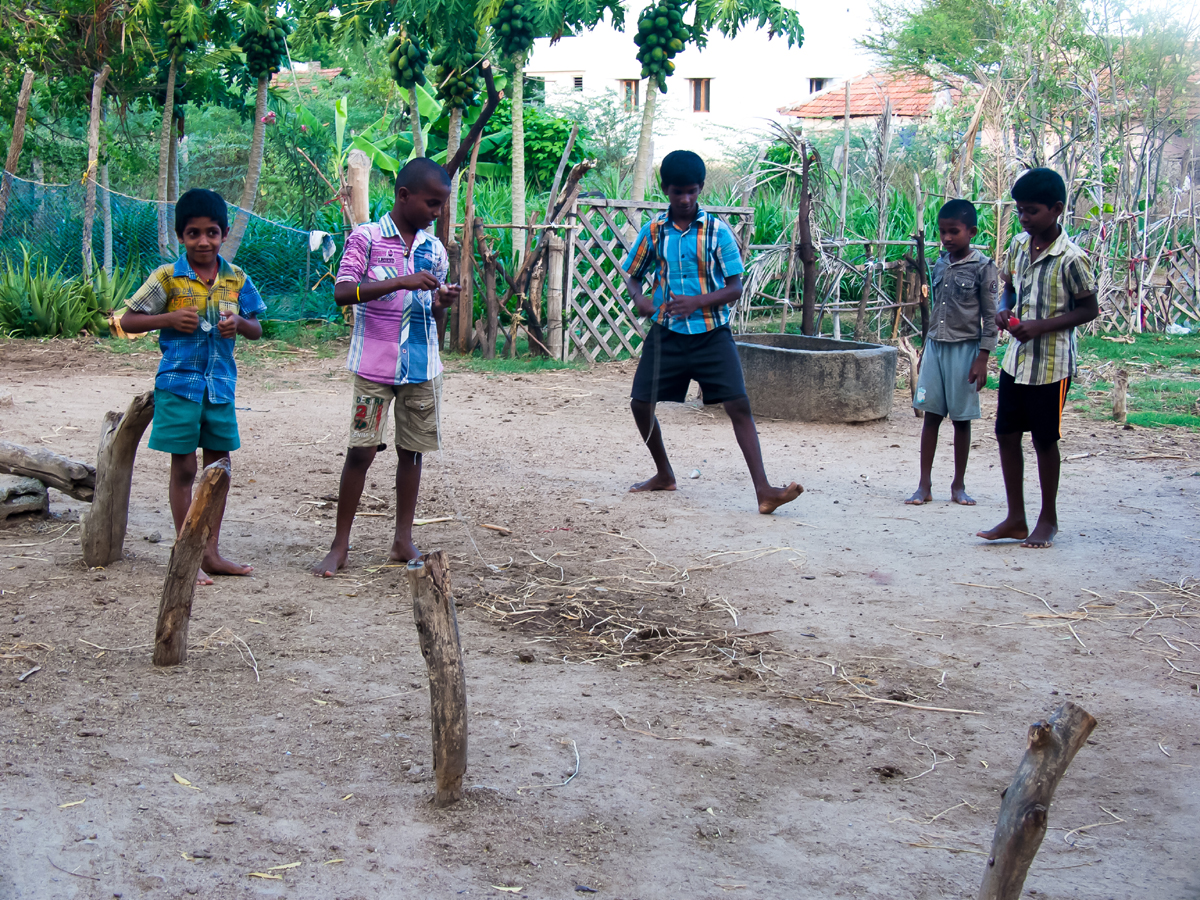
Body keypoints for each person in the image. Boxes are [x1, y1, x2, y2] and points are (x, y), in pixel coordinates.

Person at [620, 149, 802, 514]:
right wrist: (641, 300)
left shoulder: (717, 231)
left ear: (701, 188)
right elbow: (632, 275)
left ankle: (765, 491)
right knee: (641, 403)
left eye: (691, 191)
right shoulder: (653, 232)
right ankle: (664, 474)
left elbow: (735, 287)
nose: (685, 199)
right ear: (665, 190)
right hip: (666, 333)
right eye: (677, 192)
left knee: (739, 405)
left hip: (712, 333)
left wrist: (698, 302)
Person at [312, 158, 460, 577]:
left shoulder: (434, 250)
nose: (436, 212)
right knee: (360, 452)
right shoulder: (367, 238)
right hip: (373, 368)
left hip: (421, 367)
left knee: (411, 454)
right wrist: (400, 280)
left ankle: (402, 539)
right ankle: (340, 545)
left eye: (442, 205)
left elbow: (430, 307)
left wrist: (441, 300)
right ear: (403, 196)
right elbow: (343, 293)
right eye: (432, 203)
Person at [120, 188, 264, 584]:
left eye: (212, 232)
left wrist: (240, 325)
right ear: (181, 236)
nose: (204, 241)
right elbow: (127, 321)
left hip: (220, 388)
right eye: (194, 233)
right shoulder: (166, 277)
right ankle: (188, 554)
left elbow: (257, 327)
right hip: (179, 387)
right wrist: (166, 320)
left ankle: (210, 551)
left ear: (223, 233)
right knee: (184, 467)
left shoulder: (236, 279)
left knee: (219, 469)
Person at [977, 168, 1098, 548]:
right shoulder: (1017, 245)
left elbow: (1089, 309)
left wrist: (1041, 326)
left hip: (1052, 365)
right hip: (1016, 360)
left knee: (1045, 441)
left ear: (1057, 209)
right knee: (1006, 435)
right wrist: (1002, 310)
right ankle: (1016, 517)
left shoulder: (1072, 259)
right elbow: (1009, 290)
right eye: (1019, 212)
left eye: (1031, 211)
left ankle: (1048, 518)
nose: (1024, 218)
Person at [906, 199, 998, 506]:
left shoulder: (983, 267)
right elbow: (934, 310)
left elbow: (989, 316)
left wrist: (982, 357)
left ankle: (958, 485)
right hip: (935, 348)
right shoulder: (940, 263)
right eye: (943, 231)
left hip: (965, 350)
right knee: (930, 417)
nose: (947, 238)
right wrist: (925, 348)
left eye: (954, 231)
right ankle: (924, 485)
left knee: (961, 420)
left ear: (971, 231)